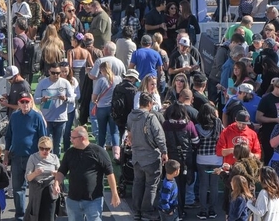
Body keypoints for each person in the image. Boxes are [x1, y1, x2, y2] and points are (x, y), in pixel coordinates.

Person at [55, 125, 119, 221]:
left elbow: (110, 174)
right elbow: (62, 171)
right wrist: (56, 183)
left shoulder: (99, 152)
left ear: (83, 138)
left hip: (93, 199)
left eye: (73, 138)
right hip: (73, 199)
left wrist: (114, 193)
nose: (71, 140)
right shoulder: (69, 153)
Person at [5, 94, 48, 220]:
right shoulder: (14, 117)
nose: (25, 104)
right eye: (22, 102)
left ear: (31, 102)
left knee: (36, 188)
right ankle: (20, 216)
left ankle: (34, 215)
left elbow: (43, 138)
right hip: (17, 157)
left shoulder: (37, 117)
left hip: (33, 158)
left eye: (27, 102)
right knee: (18, 189)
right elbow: (8, 137)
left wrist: (43, 157)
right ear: (18, 103)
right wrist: (6, 155)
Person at [127, 92, 168, 221]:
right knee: (151, 185)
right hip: (151, 156)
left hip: (136, 157)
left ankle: (137, 211)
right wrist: (164, 152)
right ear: (150, 104)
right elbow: (159, 137)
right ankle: (147, 211)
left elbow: (129, 134)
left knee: (138, 183)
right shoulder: (151, 118)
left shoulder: (131, 116)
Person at [162, 102, 199, 218]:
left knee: (169, 184)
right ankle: (180, 210)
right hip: (185, 160)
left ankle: (170, 210)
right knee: (182, 187)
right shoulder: (189, 125)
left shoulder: (166, 125)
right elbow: (196, 141)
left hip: (170, 158)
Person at [36, 63, 75, 152]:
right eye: (53, 73)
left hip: (60, 119)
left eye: (58, 73)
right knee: (48, 143)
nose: (56, 75)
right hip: (47, 119)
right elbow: (35, 100)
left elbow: (72, 99)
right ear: (49, 72)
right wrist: (42, 99)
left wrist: (66, 99)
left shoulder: (65, 83)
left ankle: (56, 164)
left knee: (58, 144)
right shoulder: (42, 83)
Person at [193, 103, 222, 220]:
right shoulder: (218, 124)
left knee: (203, 185)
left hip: (201, 158)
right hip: (216, 159)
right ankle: (212, 210)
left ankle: (203, 210)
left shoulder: (196, 127)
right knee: (214, 185)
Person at [25, 136, 60, 221]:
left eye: (47, 149)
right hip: (37, 189)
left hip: (50, 189)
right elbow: (28, 178)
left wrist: (56, 177)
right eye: (42, 148)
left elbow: (60, 175)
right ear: (38, 147)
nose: (44, 151)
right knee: (36, 215)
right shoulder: (33, 157)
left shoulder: (54, 158)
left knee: (50, 214)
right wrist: (35, 173)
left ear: (51, 149)